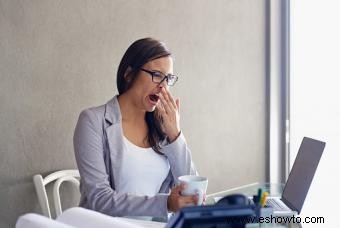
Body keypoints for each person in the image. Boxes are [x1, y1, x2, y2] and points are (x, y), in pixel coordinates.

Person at [73, 37, 198, 220]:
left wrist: (175, 134)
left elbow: (192, 191)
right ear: (129, 74)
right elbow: (99, 199)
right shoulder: (93, 121)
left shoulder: (162, 128)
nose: (163, 85)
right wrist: (165, 204)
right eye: (156, 74)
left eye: (168, 78)